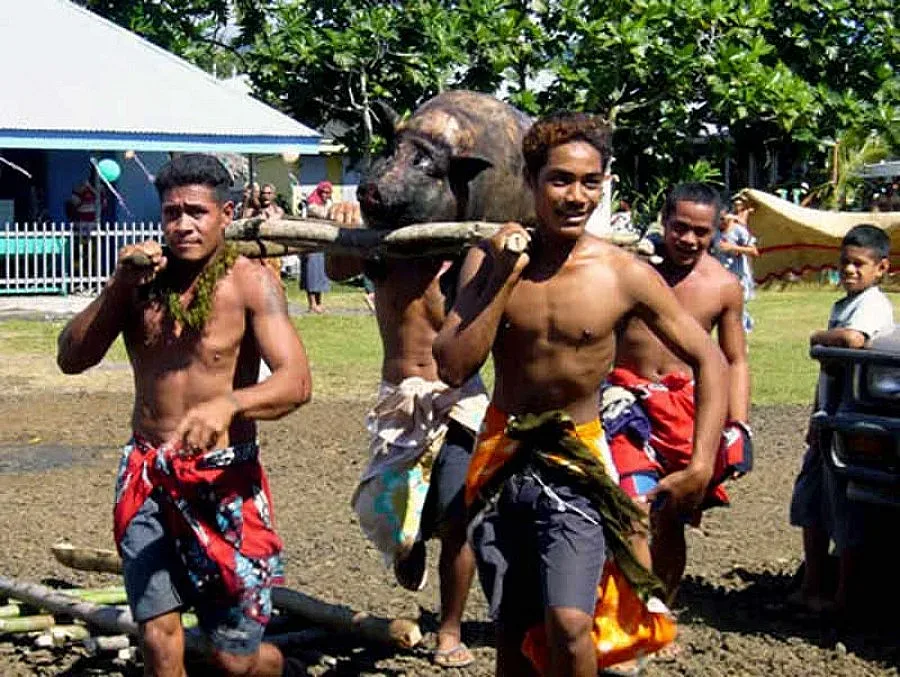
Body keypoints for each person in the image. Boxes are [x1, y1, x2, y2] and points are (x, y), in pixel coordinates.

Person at [433, 114, 728, 677]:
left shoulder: (624, 274)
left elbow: (710, 358)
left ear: (605, 183)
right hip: (501, 457)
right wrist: (503, 276)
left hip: (578, 461)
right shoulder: (486, 258)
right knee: (515, 632)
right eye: (560, 180)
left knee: (570, 625)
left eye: (590, 182)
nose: (576, 196)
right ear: (532, 180)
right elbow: (453, 365)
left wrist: (701, 463)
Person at [56, 154, 312, 677]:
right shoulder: (140, 283)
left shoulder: (250, 281)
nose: (182, 225)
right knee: (158, 638)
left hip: (226, 481)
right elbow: (71, 358)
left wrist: (230, 403)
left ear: (227, 212)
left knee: (234, 660)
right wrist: (118, 286)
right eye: (172, 213)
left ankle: (281, 669)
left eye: (196, 212)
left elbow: (297, 382)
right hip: (147, 479)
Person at [325, 201, 488, 670]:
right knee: (390, 514)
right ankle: (409, 544)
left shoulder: (465, 257)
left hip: (459, 398)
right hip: (399, 401)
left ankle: (450, 629)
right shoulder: (384, 251)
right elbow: (337, 270)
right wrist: (344, 229)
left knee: (460, 517)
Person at [601, 183, 753, 604]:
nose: (688, 239)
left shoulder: (723, 287)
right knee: (632, 507)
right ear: (663, 222)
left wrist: (738, 427)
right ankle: (630, 614)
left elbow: (734, 359)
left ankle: (659, 610)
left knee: (669, 519)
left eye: (701, 231)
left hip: (687, 411)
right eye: (679, 227)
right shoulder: (631, 271)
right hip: (626, 406)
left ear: (717, 232)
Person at [789, 224, 894, 616]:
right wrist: (814, 417)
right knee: (810, 501)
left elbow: (854, 341)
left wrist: (817, 338)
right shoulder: (843, 306)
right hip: (829, 415)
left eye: (859, 264)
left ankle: (844, 595)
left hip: (853, 418)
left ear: (881, 268)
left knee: (843, 506)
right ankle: (813, 585)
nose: (849, 271)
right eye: (844, 263)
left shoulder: (873, 304)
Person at [714, 196, 759, 332]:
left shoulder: (739, 231)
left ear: (729, 216)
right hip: (720, 278)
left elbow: (754, 251)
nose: (720, 222)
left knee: (737, 309)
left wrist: (733, 248)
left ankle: (744, 332)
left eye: (722, 219)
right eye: (717, 219)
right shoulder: (714, 233)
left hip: (739, 278)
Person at [301, 181, 333, 313]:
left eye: (328, 192)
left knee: (320, 273)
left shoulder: (328, 204)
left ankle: (319, 303)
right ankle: (312, 303)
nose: (325, 195)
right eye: (323, 192)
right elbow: (325, 214)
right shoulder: (312, 205)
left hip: (322, 242)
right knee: (310, 273)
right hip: (311, 242)